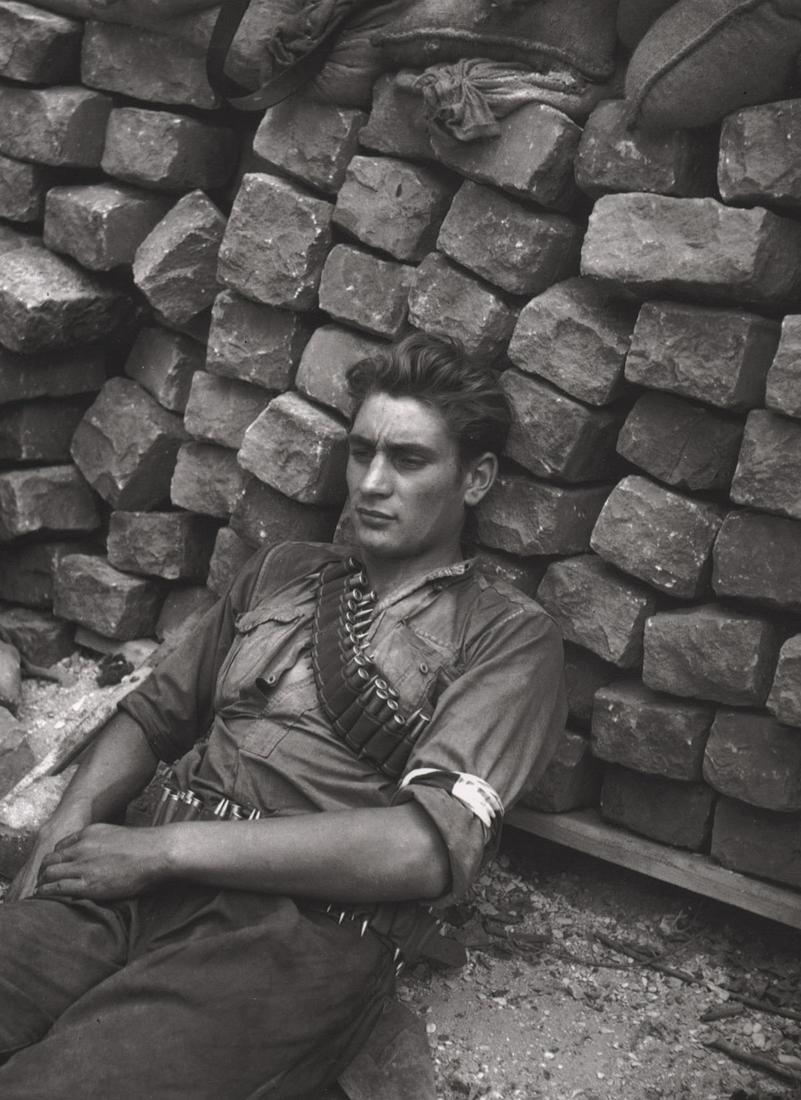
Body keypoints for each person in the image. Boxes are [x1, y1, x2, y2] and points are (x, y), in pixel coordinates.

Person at [0, 333, 566, 1099]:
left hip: (294, 929)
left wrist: (168, 850)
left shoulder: (507, 637)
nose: (370, 482)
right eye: (361, 451)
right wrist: (67, 825)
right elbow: (156, 714)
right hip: (128, 878)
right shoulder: (284, 573)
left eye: (407, 460)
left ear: (476, 478)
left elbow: (420, 852)